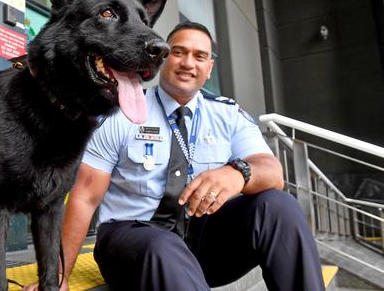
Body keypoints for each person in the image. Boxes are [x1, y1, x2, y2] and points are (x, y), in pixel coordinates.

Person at [24, 21, 325, 290]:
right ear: (161, 59)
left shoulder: (228, 115)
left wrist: (238, 173)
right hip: (132, 242)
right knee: (162, 244)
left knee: (278, 205)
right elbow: (85, 195)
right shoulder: (121, 112)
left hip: (204, 245)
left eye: (199, 56)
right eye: (178, 52)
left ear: (209, 70)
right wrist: (57, 276)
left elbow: (273, 173)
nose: (187, 63)